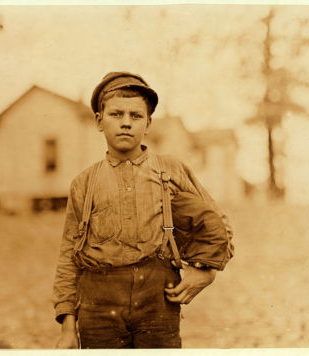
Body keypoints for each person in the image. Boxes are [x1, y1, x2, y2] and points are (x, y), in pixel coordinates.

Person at [52, 71, 234, 349]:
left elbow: (219, 225)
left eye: (136, 116)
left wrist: (206, 272)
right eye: (116, 114)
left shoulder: (171, 169)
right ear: (99, 121)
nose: (126, 123)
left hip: (157, 301)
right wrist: (67, 327)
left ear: (148, 123)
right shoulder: (83, 184)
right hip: (98, 306)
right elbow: (68, 257)